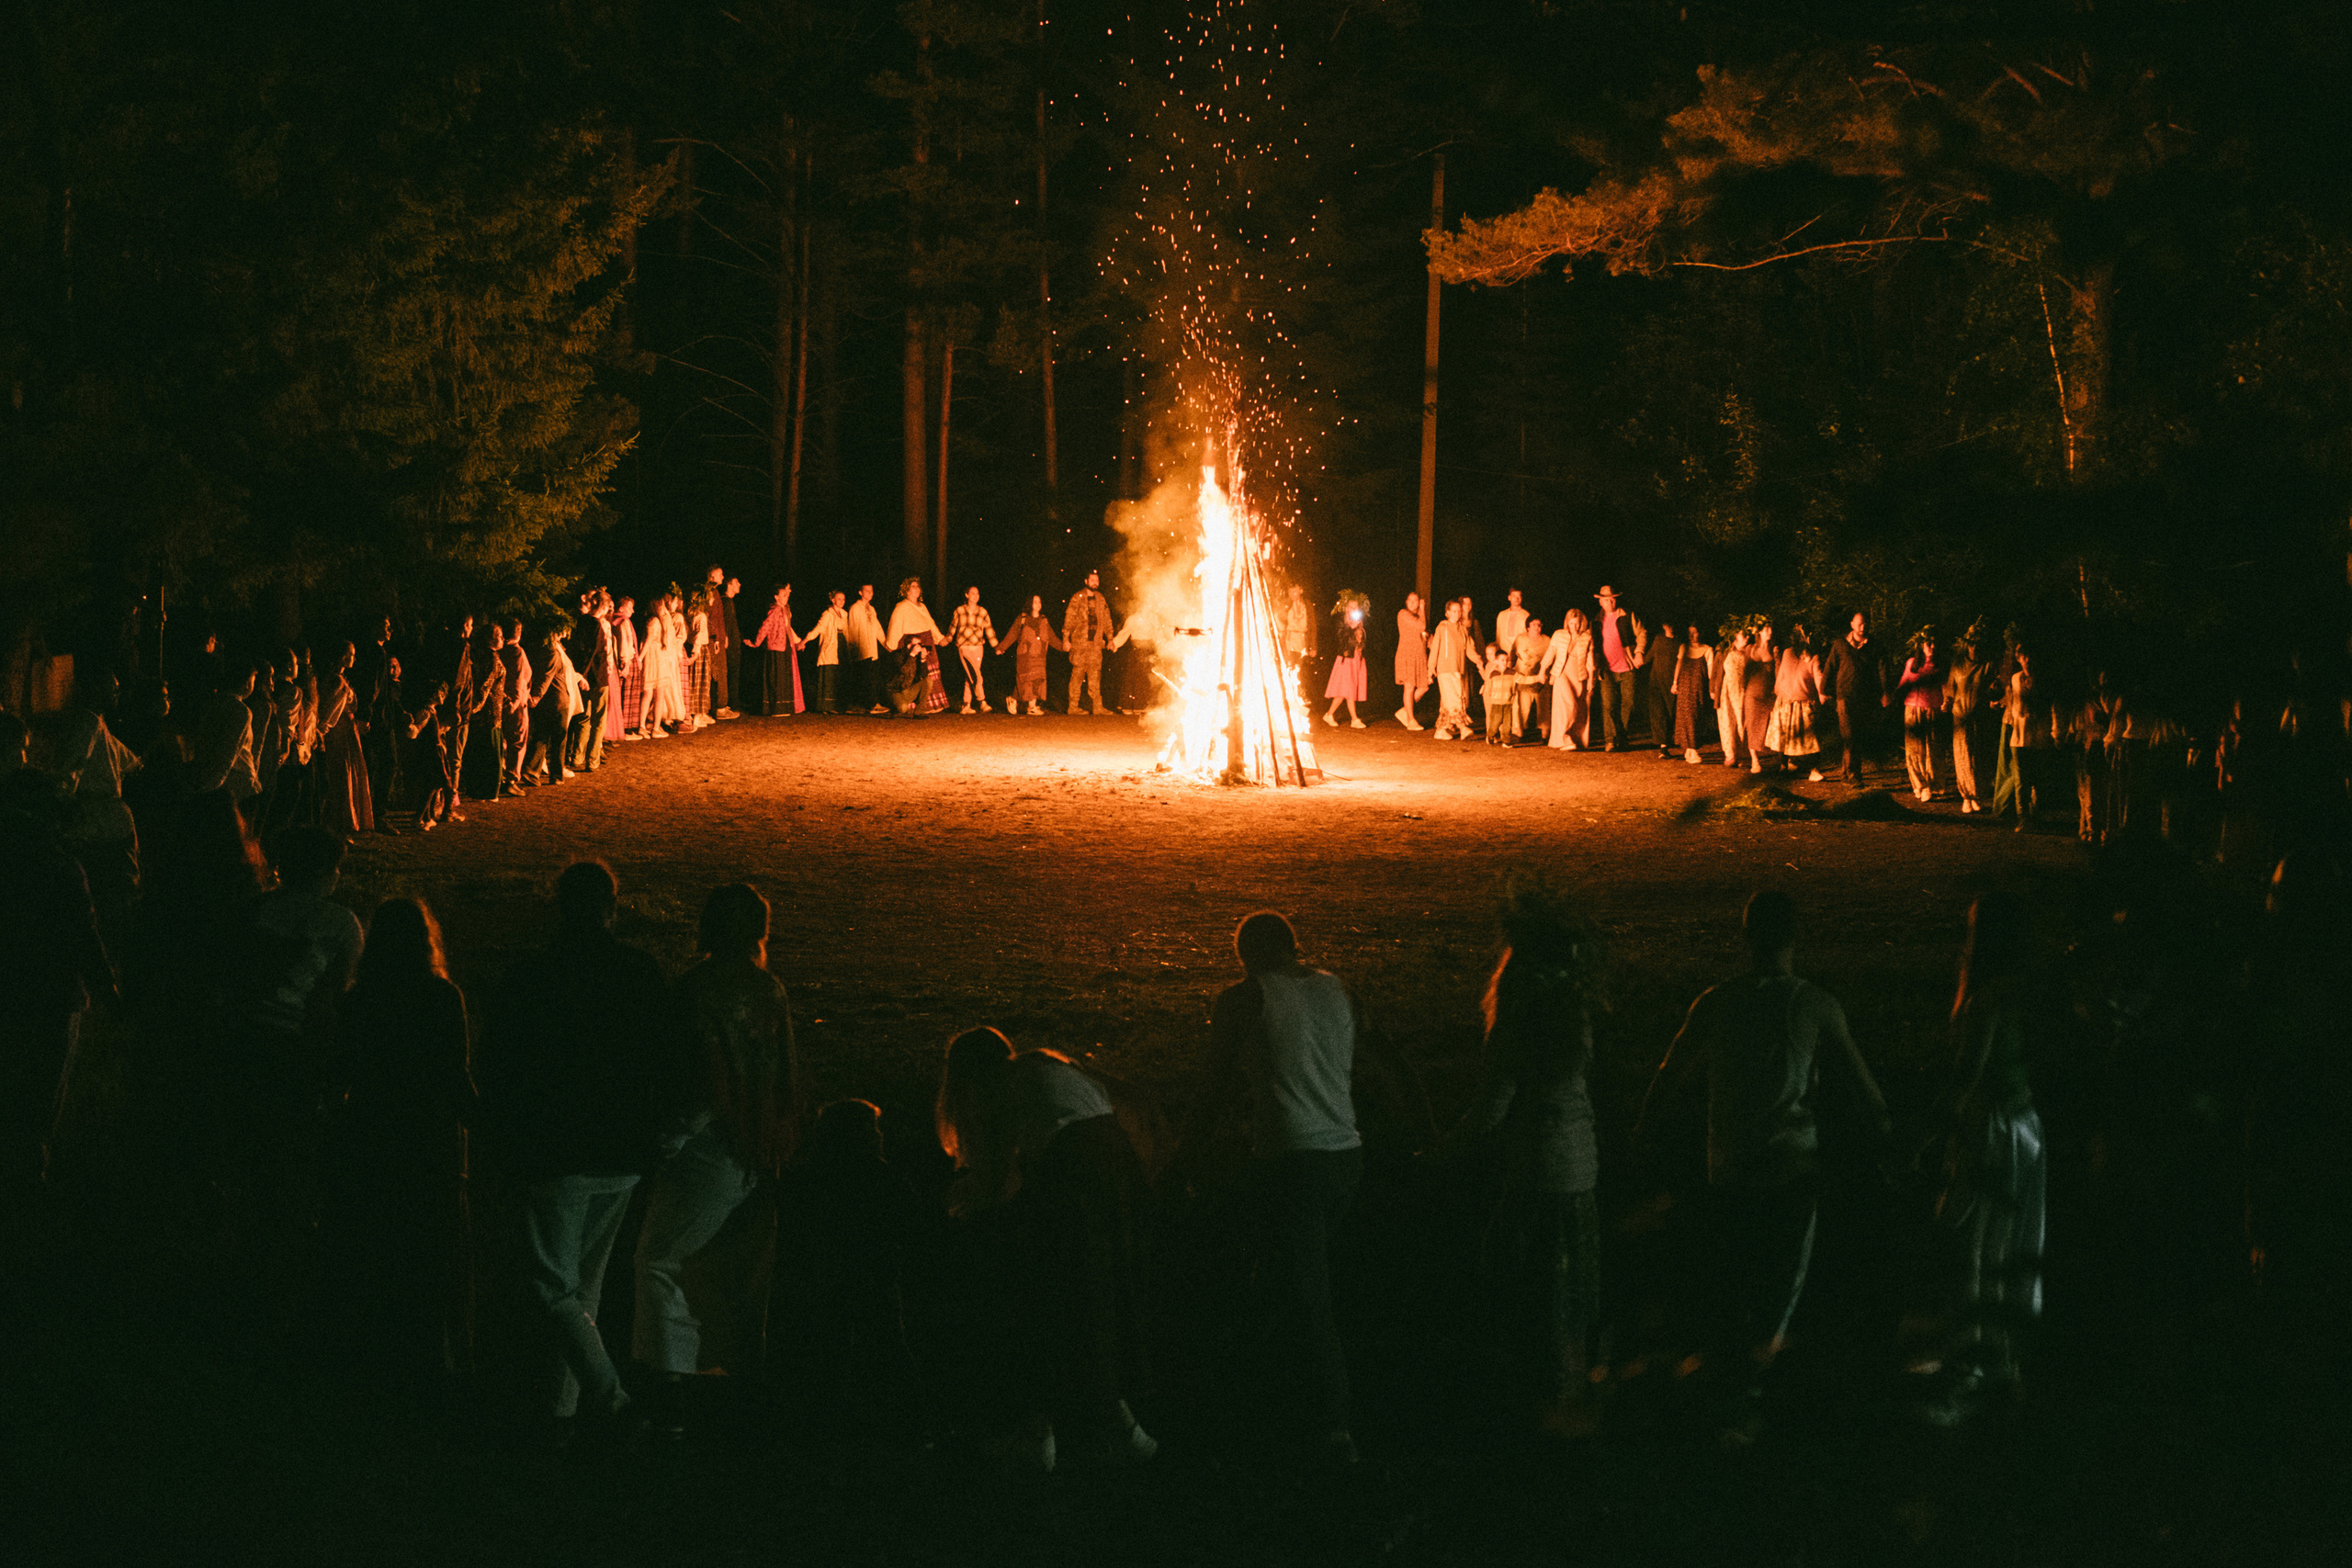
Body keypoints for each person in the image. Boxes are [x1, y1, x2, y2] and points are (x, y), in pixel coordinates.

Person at [1635, 891, 1890, 1445]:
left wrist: (1641, 1137)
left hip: (1729, 1169)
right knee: (1780, 1287)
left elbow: (1668, 1075)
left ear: (1745, 935)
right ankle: (1756, 1401)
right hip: (1791, 1171)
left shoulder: (1716, 1003)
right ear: (1796, 937)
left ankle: (1728, 1400)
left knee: (1733, 1282)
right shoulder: (1816, 1004)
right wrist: (1889, 1136)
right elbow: (1862, 1086)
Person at [477, 862, 669, 1437]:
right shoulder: (637, 972)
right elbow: (660, 1057)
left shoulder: (532, 976)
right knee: (581, 1287)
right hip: (620, 1149)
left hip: (555, 1149)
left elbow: (499, 1063)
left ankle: (607, 1401)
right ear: (612, 905)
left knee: (551, 1286)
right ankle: (563, 1409)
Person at [1184, 911, 1364, 1464]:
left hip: (1292, 1158)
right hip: (1345, 1152)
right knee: (1297, 1277)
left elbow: (1215, 1087)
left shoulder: (1243, 1000)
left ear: (1245, 958)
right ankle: (1287, 1401)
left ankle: (1332, 1425)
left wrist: (1187, 1156)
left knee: (1303, 1290)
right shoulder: (1339, 991)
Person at [936, 1027, 1157, 1472]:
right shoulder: (1044, 1066)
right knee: (1094, 1300)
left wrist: (969, 1213)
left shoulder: (999, 1089)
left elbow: (999, 1172)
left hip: (1076, 1180)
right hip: (1116, 1175)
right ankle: (1113, 1426)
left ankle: (1041, 1433)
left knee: (1045, 1299)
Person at [633, 885, 797, 1430]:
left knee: (657, 1259)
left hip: (710, 1146)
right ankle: (718, 1369)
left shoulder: (696, 989)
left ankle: (669, 1378)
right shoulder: (767, 988)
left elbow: (695, 1081)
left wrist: (667, 1142)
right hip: (754, 1143)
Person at [1456, 886, 1607, 1438]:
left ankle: (1529, 1402)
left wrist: (1451, 1145)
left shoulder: (1515, 1030)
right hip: (1580, 1165)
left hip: (1535, 1168)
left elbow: (1493, 1107)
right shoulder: (1575, 1020)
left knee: (1525, 1286)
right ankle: (1570, 1392)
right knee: (1571, 1292)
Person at [326, 897, 477, 1390]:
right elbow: (457, 1077)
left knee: (374, 1242)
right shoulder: (442, 997)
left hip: (369, 1131)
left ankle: (368, 1352)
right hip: (427, 1138)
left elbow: (339, 1072)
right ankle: (436, 1359)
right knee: (431, 1249)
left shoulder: (358, 999)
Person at [1917, 892, 2045, 1425]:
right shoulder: (2034, 992)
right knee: (2011, 1244)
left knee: (1970, 1246)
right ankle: (2001, 1360)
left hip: (1991, 1131)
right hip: (2028, 1128)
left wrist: (1929, 1137)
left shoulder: (1987, 1000)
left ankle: (1968, 1365)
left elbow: (1966, 1077)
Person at [0, 771, 117, 1198]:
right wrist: (111, 998)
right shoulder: (60, 866)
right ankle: (28, 1178)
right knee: (40, 1091)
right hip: (51, 995)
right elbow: (84, 939)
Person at [318, 642, 379, 829]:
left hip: (346, 730)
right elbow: (331, 710)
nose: (354, 658)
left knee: (345, 773)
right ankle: (341, 822)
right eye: (351, 654)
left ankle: (344, 821)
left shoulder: (337, 679)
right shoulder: (337, 682)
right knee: (342, 774)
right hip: (340, 732)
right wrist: (323, 730)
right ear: (343, 657)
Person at [2000, 646, 2058, 831]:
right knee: (2021, 779)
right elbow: (2012, 703)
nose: (2028, 660)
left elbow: (2051, 706)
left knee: (2039, 778)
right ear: (2018, 658)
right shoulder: (2015, 679)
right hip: (2019, 736)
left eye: (2030, 655)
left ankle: (2036, 814)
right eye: (2024, 656)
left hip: (2040, 734)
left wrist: (2055, 731)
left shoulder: (2044, 680)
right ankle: (2023, 817)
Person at [1825, 612, 1887, 785]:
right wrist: (1824, 690)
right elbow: (1830, 667)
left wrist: (1885, 692)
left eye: (1865, 623)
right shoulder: (1840, 645)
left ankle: (1846, 774)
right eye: (1859, 623)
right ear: (1852, 624)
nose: (1863, 627)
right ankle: (1853, 776)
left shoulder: (1875, 645)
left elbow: (1883, 670)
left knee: (1857, 737)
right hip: (1845, 696)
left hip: (1865, 697)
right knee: (1850, 736)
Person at [1763, 625, 1826, 781]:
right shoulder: (1788, 653)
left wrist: (1822, 694)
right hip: (1786, 700)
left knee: (1809, 738)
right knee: (1784, 735)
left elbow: (1818, 678)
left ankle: (1813, 770)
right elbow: (1783, 674)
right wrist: (1777, 692)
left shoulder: (1812, 658)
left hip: (1801, 701)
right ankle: (1786, 765)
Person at [882, 578, 950, 716]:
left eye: (918, 587)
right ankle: (910, 705)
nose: (917, 589)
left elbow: (930, 623)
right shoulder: (901, 607)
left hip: (927, 640)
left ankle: (930, 705)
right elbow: (895, 625)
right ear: (906, 590)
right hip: (912, 642)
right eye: (913, 586)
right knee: (913, 671)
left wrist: (940, 637)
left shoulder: (922, 606)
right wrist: (891, 643)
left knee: (928, 672)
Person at [1592, 586, 1648, 751]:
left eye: (1613, 598)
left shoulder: (1627, 616)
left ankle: (1622, 738)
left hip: (1627, 666)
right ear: (1600, 601)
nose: (1610, 601)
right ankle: (1610, 739)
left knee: (1628, 704)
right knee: (1608, 705)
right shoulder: (1596, 620)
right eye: (1606, 599)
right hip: (1606, 668)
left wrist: (1639, 653)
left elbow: (1642, 633)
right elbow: (1592, 644)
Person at [568, 590, 616, 774]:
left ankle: (577, 756)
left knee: (584, 718)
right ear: (603, 606)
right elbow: (592, 653)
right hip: (597, 677)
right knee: (598, 720)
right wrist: (585, 675)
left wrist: (579, 674)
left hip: (585, 677)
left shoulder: (581, 621)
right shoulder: (597, 626)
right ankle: (592, 759)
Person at [1946, 628, 1992, 814]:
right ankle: (1966, 796)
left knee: (1978, 756)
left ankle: (1977, 794)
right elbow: (1950, 688)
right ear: (1967, 646)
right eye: (1972, 644)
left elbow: (1992, 688)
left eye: (1978, 644)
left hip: (1979, 717)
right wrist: (1947, 701)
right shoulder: (1958, 665)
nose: (1975, 648)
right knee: (1963, 754)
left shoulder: (1987, 666)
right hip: (1961, 715)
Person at [1898, 631, 1947, 803]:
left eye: (1934, 643)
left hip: (1932, 709)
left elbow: (1945, 687)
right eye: (1928, 643)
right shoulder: (1912, 664)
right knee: (1914, 750)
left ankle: (1934, 785)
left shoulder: (1940, 665)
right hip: (1913, 709)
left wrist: (1946, 701)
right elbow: (1904, 683)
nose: (1932, 646)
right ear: (1921, 645)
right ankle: (1919, 785)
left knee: (1932, 749)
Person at [744, 584, 807, 716]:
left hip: (784, 646)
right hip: (775, 646)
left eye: (786, 595)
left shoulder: (784, 610)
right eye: (783, 595)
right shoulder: (775, 610)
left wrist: (797, 642)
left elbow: (788, 628)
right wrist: (757, 642)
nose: (786, 598)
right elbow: (765, 626)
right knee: (776, 677)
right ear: (776, 597)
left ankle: (783, 707)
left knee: (783, 677)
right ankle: (775, 709)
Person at [1062, 570, 1116, 716]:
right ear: (1086, 581)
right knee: (1077, 675)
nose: (1095, 582)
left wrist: (1110, 639)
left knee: (1095, 676)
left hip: (1095, 645)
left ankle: (1098, 707)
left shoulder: (1100, 598)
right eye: (1092, 580)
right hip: (1080, 644)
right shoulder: (1077, 598)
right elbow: (1069, 618)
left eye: (1097, 580)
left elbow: (1106, 619)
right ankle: (1073, 706)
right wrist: (1066, 639)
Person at [998, 594, 1063, 716]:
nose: (1038, 604)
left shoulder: (1044, 620)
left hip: (1040, 657)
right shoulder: (1022, 619)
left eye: (1039, 602)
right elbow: (1012, 634)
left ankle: (1032, 707)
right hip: (1025, 656)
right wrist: (1002, 647)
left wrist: (1062, 646)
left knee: (1038, 680)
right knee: (1025, 681)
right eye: (1035, 602)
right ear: (1030, 604)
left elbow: (1052, 637)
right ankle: (1013, 699)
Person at [1542, 608, 1596, 750]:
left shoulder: (1587, 638)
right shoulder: (1559, 635)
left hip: (1579, 676)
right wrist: (1543, 671)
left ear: (1582, 623)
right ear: (1567, 623)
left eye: (1577, 623)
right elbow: (1550, 654)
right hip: (1561, 674)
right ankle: (1565, 738)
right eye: (1571, 623)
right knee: (1568, 705)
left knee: (1580, 708)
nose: (1574, 626)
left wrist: (1591, 680)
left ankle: (1575, 739)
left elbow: (1590, 662)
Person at [1429, 599, 1478, 742]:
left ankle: (1441, 730)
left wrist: (1479, 661)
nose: (1457, 614)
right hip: (1445, 668)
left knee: (1449, 700)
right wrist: (1431, 667)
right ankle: (1463, 728)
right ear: (1447, 613)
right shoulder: (1442, 627)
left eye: (1459, 611)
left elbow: (1469, 648)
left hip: (1458, 668)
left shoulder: (1462, 629)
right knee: (1454, 698)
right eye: (1454, 611)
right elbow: (1435, 648)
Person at [948, 587, 999, 715]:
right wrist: (947, 639)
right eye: (972, 593)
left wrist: (996, 646)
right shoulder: (960, 610)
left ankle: (967, 704)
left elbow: (989, 629)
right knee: (975, 675)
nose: (975, 595)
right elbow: (953, 627)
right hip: (964, 647)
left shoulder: (983, 612)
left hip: (978, 648)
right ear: (966, 595)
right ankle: (982, 702)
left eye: (977, 593)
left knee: (970, 676)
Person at [1322, 594, 1369, 728]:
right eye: (1351, 607)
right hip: (1346, 659)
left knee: (1349, 689)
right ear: (1347, 609)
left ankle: (1333, 715)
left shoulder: (1360, 623)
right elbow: (1341, 638)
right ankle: (1352, 718)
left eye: (1356, 607)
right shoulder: (1342, 622)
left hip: (1356, 658)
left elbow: (1361, 641)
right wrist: (1351, 628)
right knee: (1347, 689)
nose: (1354, 609)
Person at [636, 592, 675, 739]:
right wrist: (640, 657)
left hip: (653, 658)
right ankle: (655, 728)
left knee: (648, 694)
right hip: (657, 659)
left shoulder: (649, 620)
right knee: (657, 694)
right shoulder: (655, 621)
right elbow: (650, 641)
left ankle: (642, 726)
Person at [1741, 620, 1778, 775]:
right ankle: (1754, 760)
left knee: (1772, 725)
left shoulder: (1774, 648)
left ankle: (1783, 760)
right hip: (1753, 693)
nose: (1770, 630)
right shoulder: (1751, 649)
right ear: (1760, 632)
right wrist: (1743, 690)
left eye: (1770, 627)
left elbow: (1777, 672)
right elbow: (1745, 672)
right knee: (1752, 724)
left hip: (1769, 694)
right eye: (1766, 628)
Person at [1713, 625, 1750, 770]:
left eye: (1747, 636)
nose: (1746, 639)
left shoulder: (1749, 654)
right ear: (1734, 640)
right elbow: (1716, 671)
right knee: (1728, 721)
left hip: (1742, 691)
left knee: (1742, 721)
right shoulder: (1725, 652)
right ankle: (1730, 754)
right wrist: (1713, 690)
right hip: (1728, 692)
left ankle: (1743, 754)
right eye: (1743, 636)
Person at [1645, 621, 1684, 761]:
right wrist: (1636, 661)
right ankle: (1663, 747)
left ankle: (1677, 741)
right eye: (1668, 625)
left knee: (1671, 712)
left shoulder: (1679, 642)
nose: (1671, 628)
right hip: (1656, 681)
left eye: (1673, 625)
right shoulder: (1659, 639)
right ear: (1663, 626)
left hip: (1672, 681)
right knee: (1659, 713)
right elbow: (1649, 656)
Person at [808, 590, 850, 715]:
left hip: (841, 644)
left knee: (839, 674)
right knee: (828, 674)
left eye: (843, 599)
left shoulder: (844, 614)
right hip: (831, 645)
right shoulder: (828, 614)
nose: (842, 601)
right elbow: (818, 629)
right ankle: (825, 705)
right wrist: (805, 641)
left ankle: (837, 704)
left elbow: (847, 631)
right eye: (839, 599)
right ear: (833, 600)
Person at [1677, 623, 1713, 764]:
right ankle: (1692, 750)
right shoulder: (1683, 648)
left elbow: (1710, 672)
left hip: (1698, 688)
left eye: (1695, 632)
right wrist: (1675, 682)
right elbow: (1679, 665)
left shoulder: (1707, 650)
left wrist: (1712, 688)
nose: (1692, 636)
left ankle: (1690, 749)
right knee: (1686, 717)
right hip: (1685, 686)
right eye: (1690, 632)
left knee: (1696, 717)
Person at [847, 583, 887, 715]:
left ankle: (872, 704)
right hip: (861, 649)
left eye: (872, 591)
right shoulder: (855, 608)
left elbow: (877, 628)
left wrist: (886, 643)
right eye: (867, 590)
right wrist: (852, 650)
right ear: (860, 592)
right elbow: (852, 630)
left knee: (872, 677)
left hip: (872, 649)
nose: (870, 593)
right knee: (863, 678)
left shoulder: (872, 609)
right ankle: (865, 705)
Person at [1394, 591, 1430, 730]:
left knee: (1424, 686)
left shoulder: (1419, 617)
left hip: (1420, 656)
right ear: (1406, 602)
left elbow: (1426, 635)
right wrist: (1422, 608)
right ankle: (1411, 720)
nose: (1412, 602)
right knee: (1409, 686)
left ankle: (1405, 711)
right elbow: (1421, 626)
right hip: (1407, 655)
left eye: (1416, 600)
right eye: (1410, 600)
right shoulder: (1403, 614)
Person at [608, 597, 641, 744]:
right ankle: (626, 727)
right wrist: (627, 663)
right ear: (621, 608)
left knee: (621, 693)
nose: (633, 611)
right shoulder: (623, 621)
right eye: (630, 608)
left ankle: (620, 727)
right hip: (626, 660)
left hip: (618, 661)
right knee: (628, 694)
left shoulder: (612, 620)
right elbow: (626, 643)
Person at [1510, 615, 1548, 743]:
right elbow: (1513, 654)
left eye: (1539, 625)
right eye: (1533, 625)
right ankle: (1518, 733)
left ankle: (1545, 734)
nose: (1537, 628)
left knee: (1543, 708)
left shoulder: (1547, 641)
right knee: (1522, 706)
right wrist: (1510, 669)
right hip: (1523, 677)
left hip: (1541, 678)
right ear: (1527, 627)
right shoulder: (1520, 639)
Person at [684, 588, 715, 731]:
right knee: (699, 683)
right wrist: (695, 654)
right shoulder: (701, 616)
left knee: (692, 681)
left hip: (692, 649)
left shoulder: (690, 615)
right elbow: (699, 635)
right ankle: (695, 717)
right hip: (699, 651)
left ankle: (692, 715)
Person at [717, 573, 745, 720]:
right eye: (736, 582)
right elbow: (725, 623)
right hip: (730, 646)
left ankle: (729, 703)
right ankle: (728, 704)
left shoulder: (729, 602)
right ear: (729, 585)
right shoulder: (726, 602)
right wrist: (727, 638)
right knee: (731, 673)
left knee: (732, 673)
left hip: (732, 643)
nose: (739, 584)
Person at [1482, 643, 1517, 746]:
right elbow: (1487, 680)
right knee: (1493, 718)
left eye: (1492, 654)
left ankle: (1505, 738)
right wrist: (1485, 687)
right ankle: (1491, 735)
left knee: (1506, 720)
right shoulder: (1490, 666)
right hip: (1493, 697)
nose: (1489, 656)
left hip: (1505, 699)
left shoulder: (1506, 669)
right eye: (1487, 654)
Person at [1495, 589, 1529, 656]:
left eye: (1519, 596)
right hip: (1503, 654)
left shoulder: (1526, 615)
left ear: (1521, 598)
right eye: (1514, 596)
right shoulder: (1502, 615)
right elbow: (1498, 636)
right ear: (1509, 597)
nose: (1516, 599)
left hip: (1519, 654)